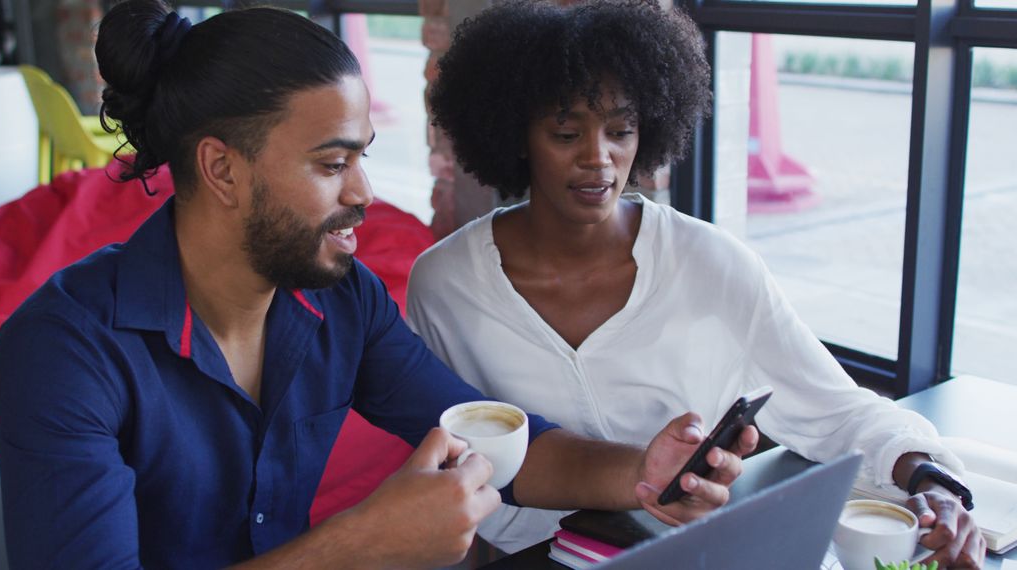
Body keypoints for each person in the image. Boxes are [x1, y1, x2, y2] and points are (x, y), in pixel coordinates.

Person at [0, 2, 759, 568]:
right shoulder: (63, 351)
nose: (363, 191)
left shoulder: (338, 299)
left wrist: (643, 473)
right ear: (222, 168)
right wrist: (360, 545)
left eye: (363, 155)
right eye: (331, 164)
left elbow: (493, 439)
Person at [408, 0, 985, 567]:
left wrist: (935, 481)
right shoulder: (446, 285)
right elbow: (447, 464)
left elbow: (841, 413)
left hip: (694, 552)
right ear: (514, 135)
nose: (599, 159)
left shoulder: (712, 264)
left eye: (621, 131)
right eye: (565, 134)